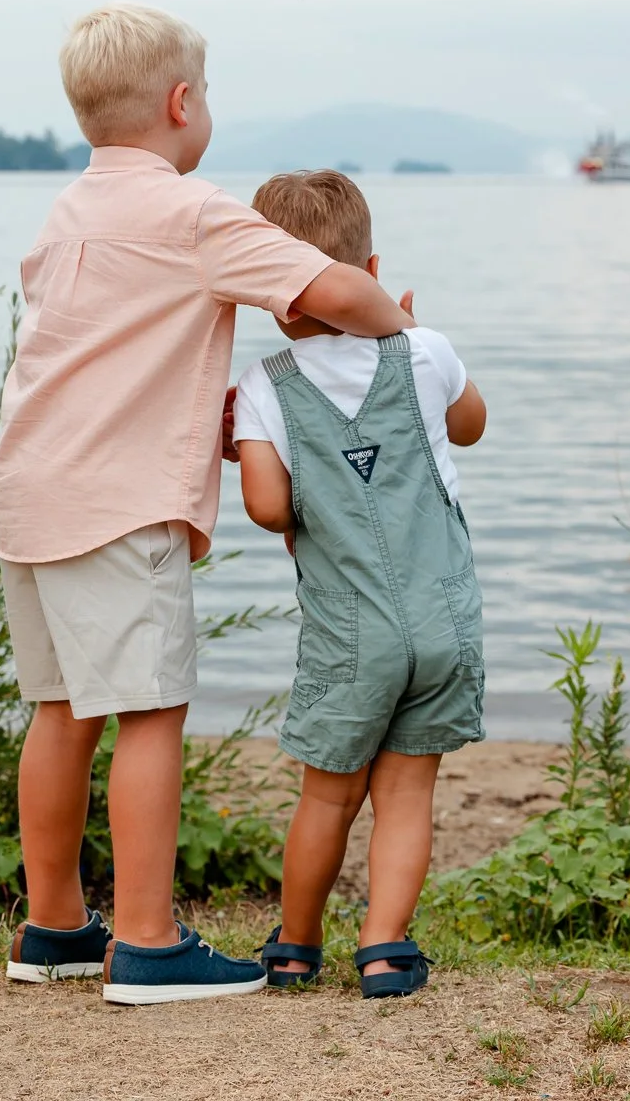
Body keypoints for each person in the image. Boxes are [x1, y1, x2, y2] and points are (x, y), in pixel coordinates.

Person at [0, 6, 415, 1005]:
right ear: (183, 104)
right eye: (207, 92)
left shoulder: (66, 212)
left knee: (59, 710)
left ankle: (53, 923)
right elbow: (330, 291)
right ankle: (144, 938)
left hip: (30, 488)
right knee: (148, 709)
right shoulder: (195, 214)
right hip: (118, 498)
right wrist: (400, 321)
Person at [233, 170, 486, 1000]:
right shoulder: (423, 350)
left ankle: (297, 944)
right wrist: (411, 328)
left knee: (327, 798)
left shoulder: (267, 385)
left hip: (349, 632)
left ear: (272, 293)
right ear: (370, 269)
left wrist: (241, 447)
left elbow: (269, 510)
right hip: (442, 616)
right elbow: (470, 426)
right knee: (407, 793)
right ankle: (383, 949)